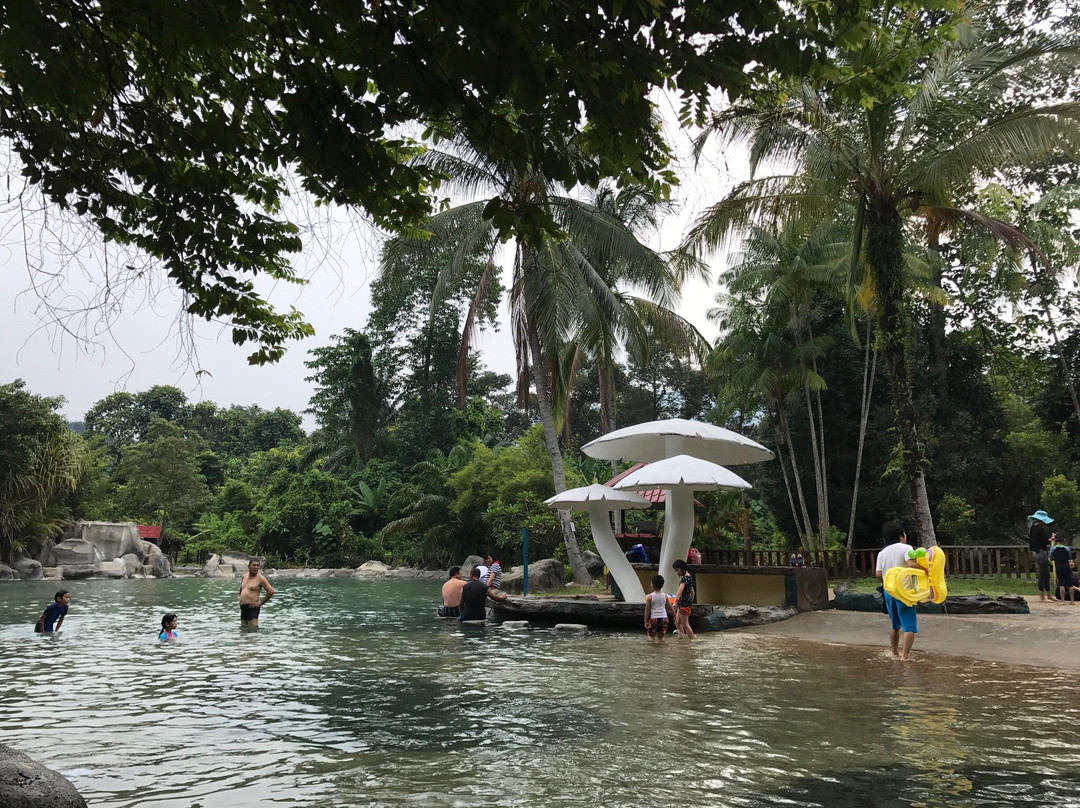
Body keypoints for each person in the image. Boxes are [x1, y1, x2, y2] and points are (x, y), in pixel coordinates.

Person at [875, 522, 919, 660]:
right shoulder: (906, 548)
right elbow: (911, 564)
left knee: (895, 625)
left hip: (889, 591)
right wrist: (927, 570)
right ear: (901, 536)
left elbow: (878, 574)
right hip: (904, 592)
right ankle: (904, 657)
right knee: (909, 626)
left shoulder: (882, 553)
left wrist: (885, 583)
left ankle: (894, 652)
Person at [1028, 510, 1054, 601]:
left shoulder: (1033, 528)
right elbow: (1045, 541)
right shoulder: (1039, 529)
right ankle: (1043, 595)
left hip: (1035, 552)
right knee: (1044, 574)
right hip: (1041, 552)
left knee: (1044, 573)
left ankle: (1046, 594)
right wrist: (1051, 539)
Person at [239, 559, 274, 625]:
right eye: (254, 565)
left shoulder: (260, 578)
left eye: (258, 565)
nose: (256, 567)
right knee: (243, 631)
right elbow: (242, 588)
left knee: (253, 631)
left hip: (252, 608)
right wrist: (240, 599)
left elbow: (271, 591)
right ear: (249, 566)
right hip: (243, 607)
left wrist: (260, 603)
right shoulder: (244, 576)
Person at [644, 574, 674, 642]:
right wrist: (675, 616)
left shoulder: (649, 597)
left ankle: (652, 649)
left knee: (650, 635)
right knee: (662, 637)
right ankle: (662, 649)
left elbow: (647, 610)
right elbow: (670, 607)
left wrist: (645, 621)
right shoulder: (665, 596)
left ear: (653, 585)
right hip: (664, 618)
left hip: (654, 618)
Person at [672, 559, 695, 640]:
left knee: (685, 624)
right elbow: (692, 592)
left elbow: (679, 591)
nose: (677, 572)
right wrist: (690, 601)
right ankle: (682, 637)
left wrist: (675, 602)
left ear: (682, 569)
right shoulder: (689, 577)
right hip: (685, 603)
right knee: (677, 622)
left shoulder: (684, 579)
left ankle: (691, 640)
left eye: (678, 570)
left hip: (683, 603)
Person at [1049, 534, 1075, 604]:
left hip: (1058, 566)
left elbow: (1050, 557)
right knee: (1070, 583)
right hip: (1066, 566)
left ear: (1056, 540)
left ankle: (1063, 601)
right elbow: (1069, 557)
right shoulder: (1067, 548)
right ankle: (1072, 601)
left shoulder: (1053, 548)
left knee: (1061, 583)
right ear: (1063, 541)